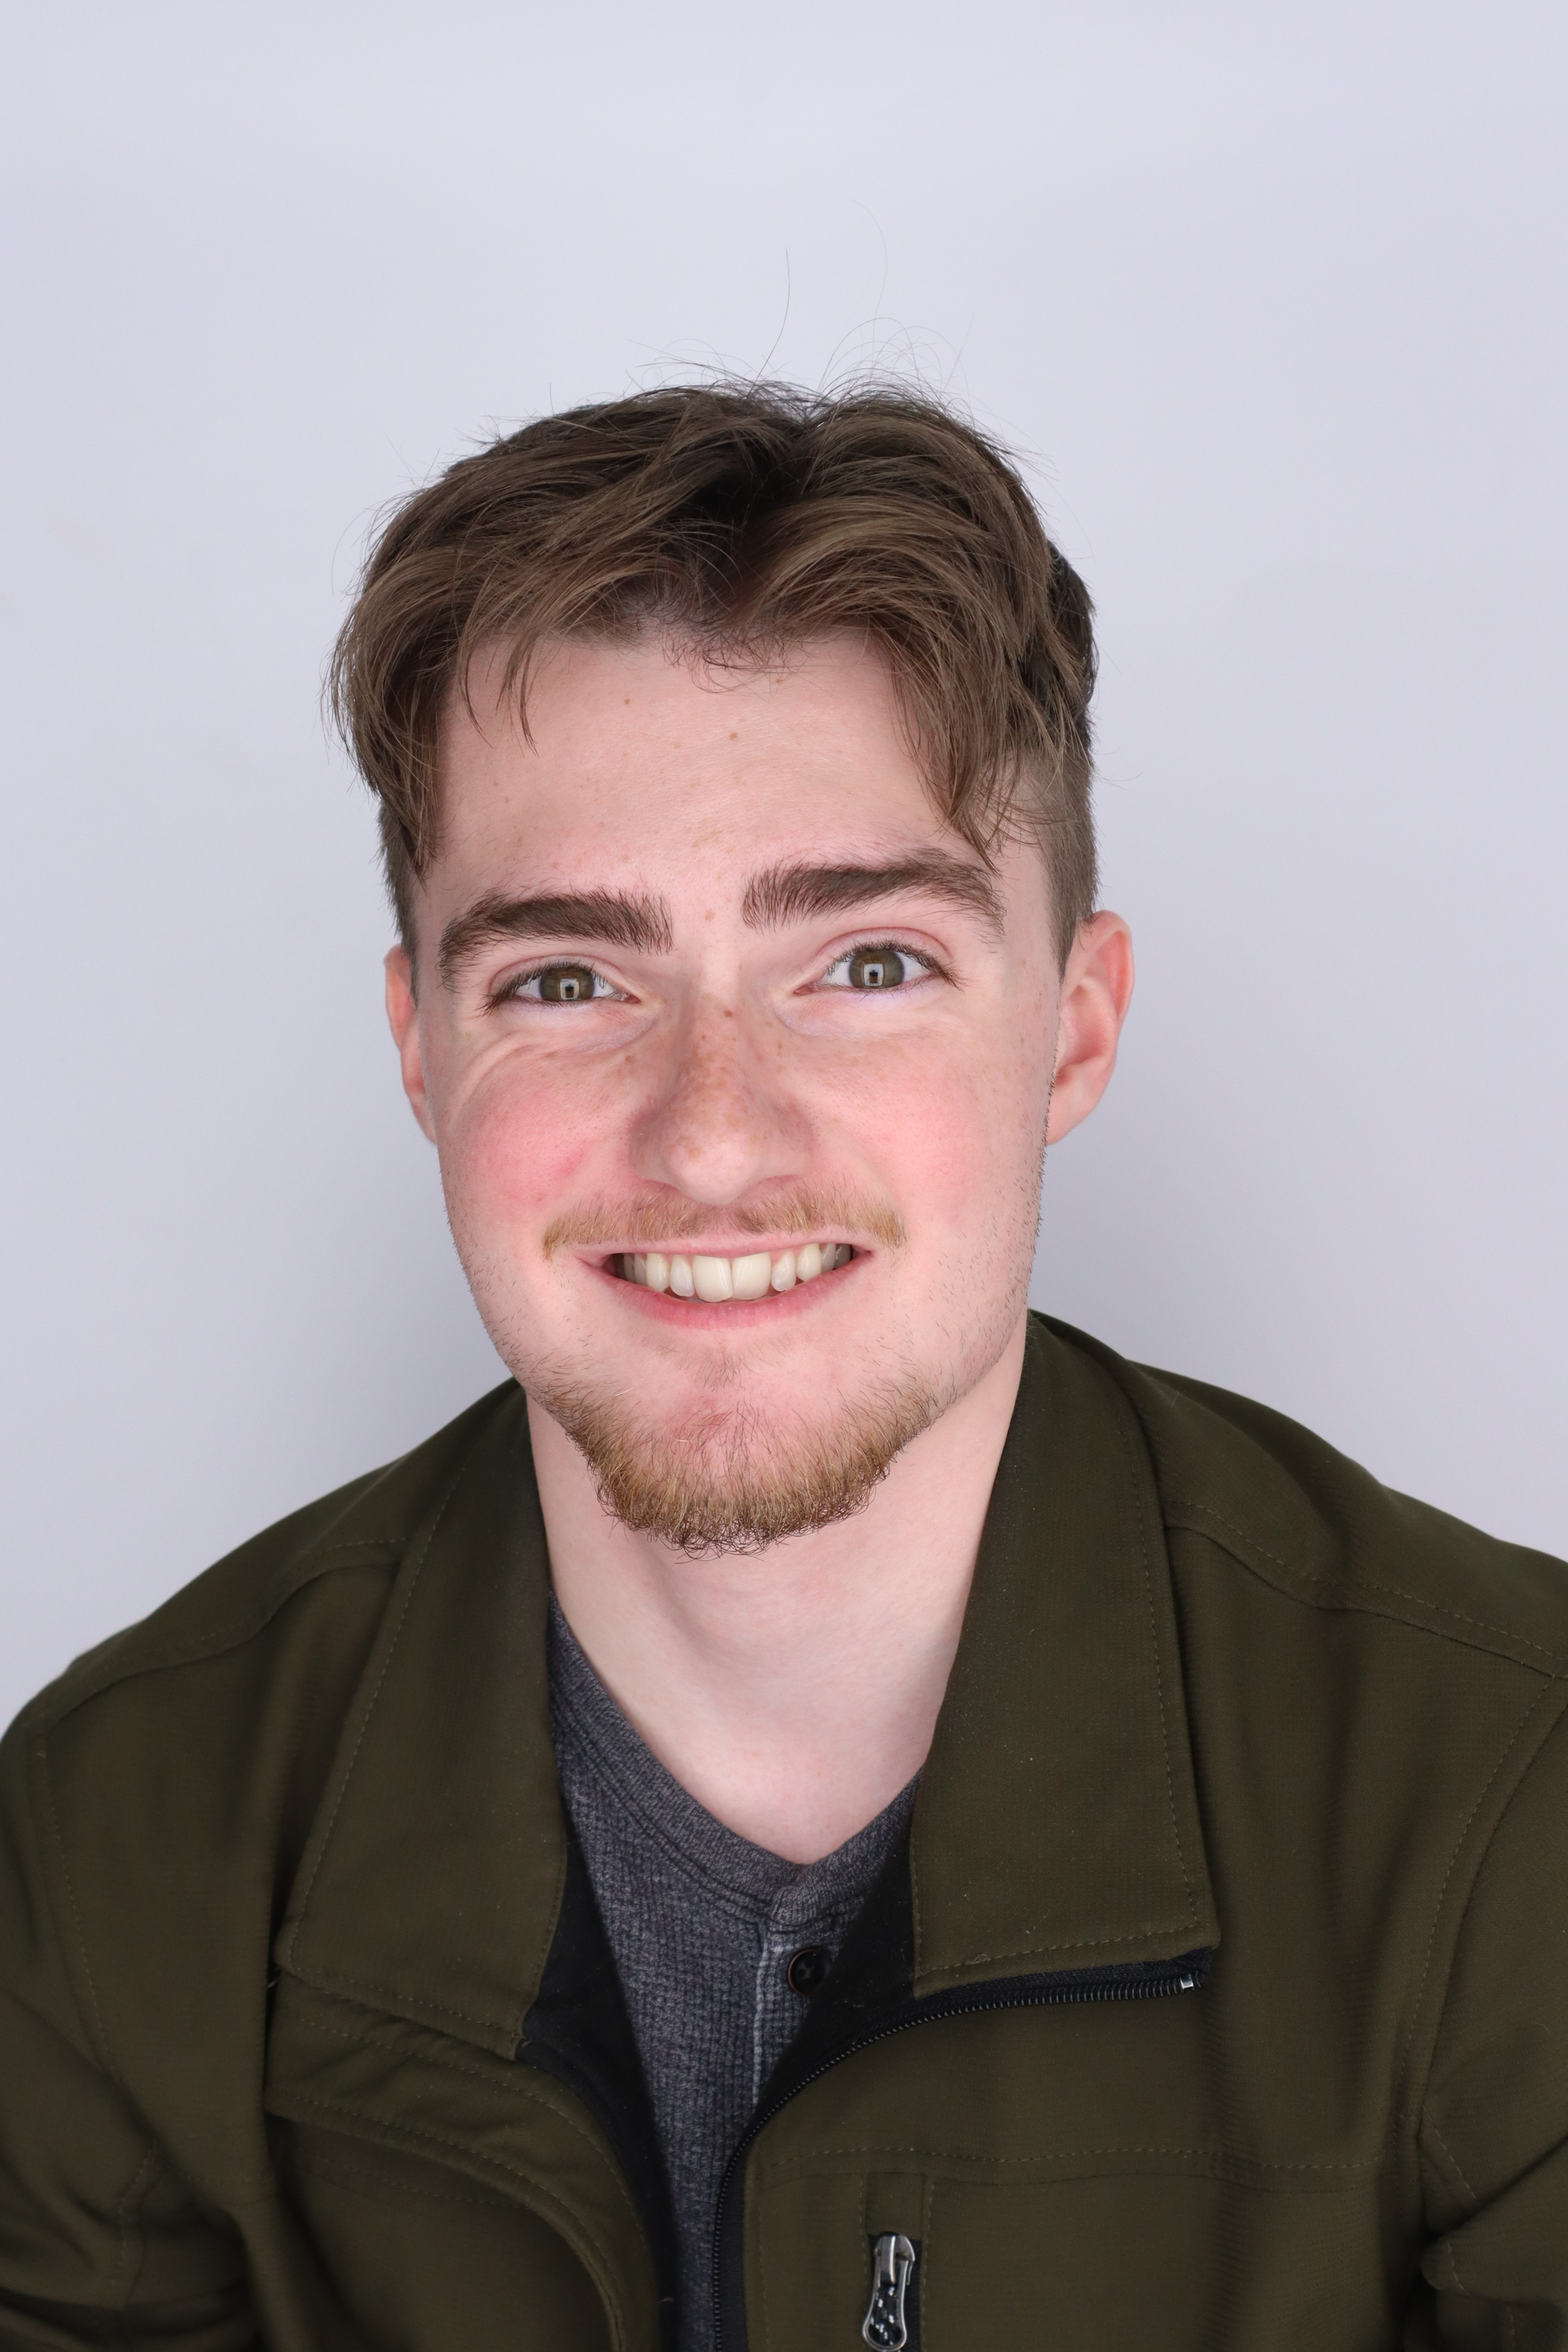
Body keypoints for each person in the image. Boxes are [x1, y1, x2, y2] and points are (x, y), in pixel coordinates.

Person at [2, 383, 1564, 2352]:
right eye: (567, 981)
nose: (712, 1134)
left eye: (867, 964)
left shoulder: (1521, 1817)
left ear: (1071, 1032)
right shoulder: (106, 1847)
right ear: (421, 1051)